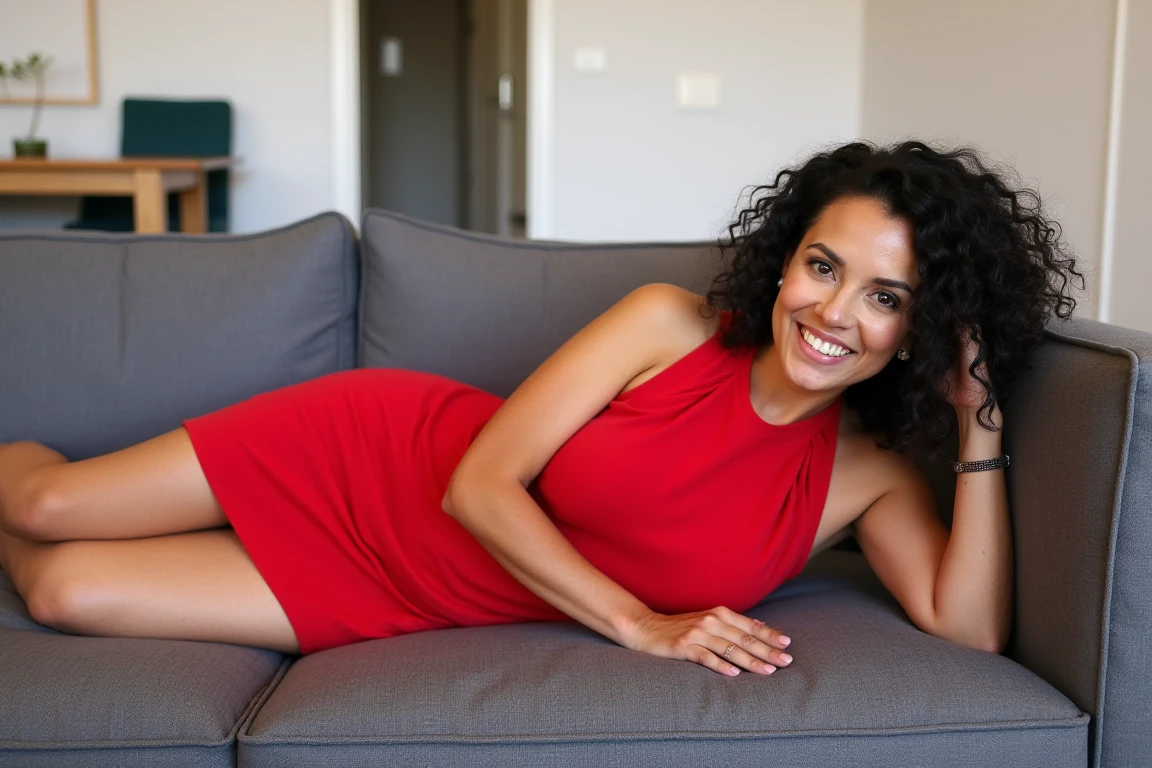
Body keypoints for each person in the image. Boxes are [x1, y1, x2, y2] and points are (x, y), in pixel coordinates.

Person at [0, 140, 1082, 677]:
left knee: (64, 587)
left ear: (923, 328)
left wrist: (981, 425)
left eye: (886, 298)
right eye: (822, 266)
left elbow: (969, 626)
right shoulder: (670, 324)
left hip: (423, 596)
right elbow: (478, 482)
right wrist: (638, 624)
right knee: (46, 507)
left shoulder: (869, 473)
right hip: (380, 460)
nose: (834, 313)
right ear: (785, 258)